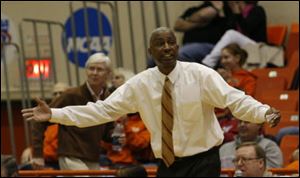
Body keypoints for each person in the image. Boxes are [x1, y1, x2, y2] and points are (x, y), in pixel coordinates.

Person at [22, 27, 281, 177]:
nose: (167, 47)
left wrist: (264, 112)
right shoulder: (140, 84)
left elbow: (234, 99)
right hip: (167, 164)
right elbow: (101, 111)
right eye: (160, 43)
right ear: (151, 51)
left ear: (177, 48)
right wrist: (54, 114)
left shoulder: (201, 75)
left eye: (171, 42)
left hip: (204, 162)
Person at [30, 52, 113, 170]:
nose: (94, 73)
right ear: (86, 71)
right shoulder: (70, 95)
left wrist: (115, 138)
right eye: (91, 68)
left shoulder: (108, 98)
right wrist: (37, 154)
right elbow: (39, 119)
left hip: (93, 157)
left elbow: (107, 133)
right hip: (71, 156)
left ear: (108, 74)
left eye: (99, 69)